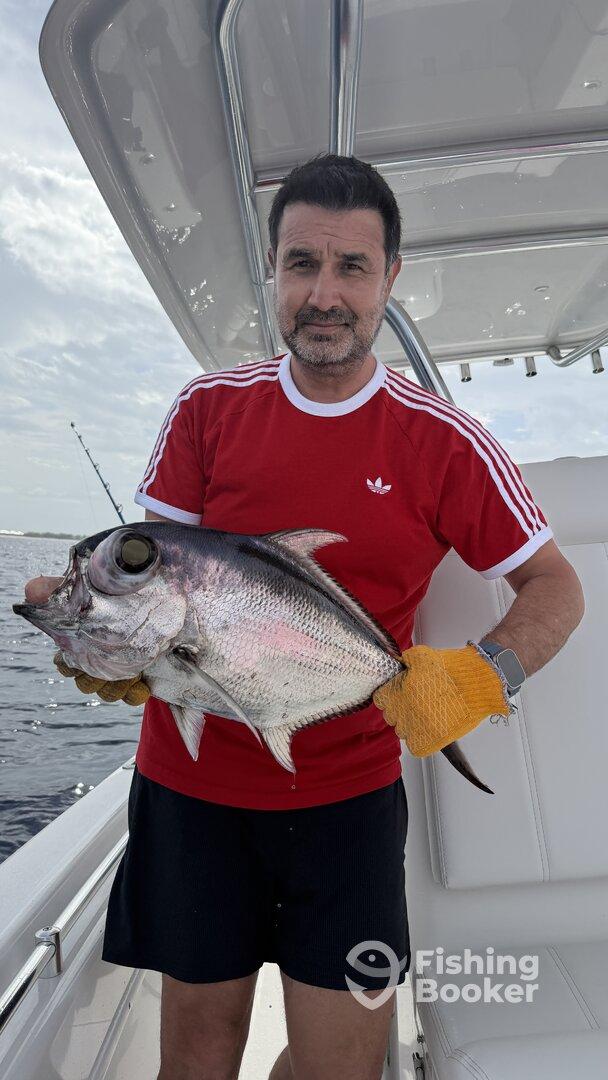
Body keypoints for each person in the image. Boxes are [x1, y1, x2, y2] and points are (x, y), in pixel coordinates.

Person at [25, 154, 584, 1080]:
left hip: (349, 805)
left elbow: (557, 589)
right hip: (192, 793)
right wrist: (102, 638)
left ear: (390, 279)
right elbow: (152, 575)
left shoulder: (447, 441)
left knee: (343, 1069)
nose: (323, 294)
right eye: (301, 264)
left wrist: (485, 675)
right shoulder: (208, 411)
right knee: (197, 1057)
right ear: (274, 273)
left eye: (351, 268)